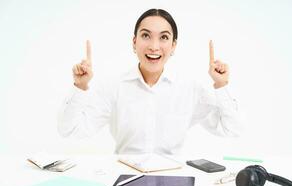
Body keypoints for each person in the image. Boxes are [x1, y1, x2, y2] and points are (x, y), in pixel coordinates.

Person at [58, 8, 242, 154]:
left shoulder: (190, 89)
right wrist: (80, 86)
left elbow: (231, 129)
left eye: (163, 37)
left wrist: (221, 85)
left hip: (173, 180)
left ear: (173, 46)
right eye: (146, 35)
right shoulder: (114, 87)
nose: (154, 46)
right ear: (134, 42)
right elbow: (70, 130)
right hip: (125, 178)